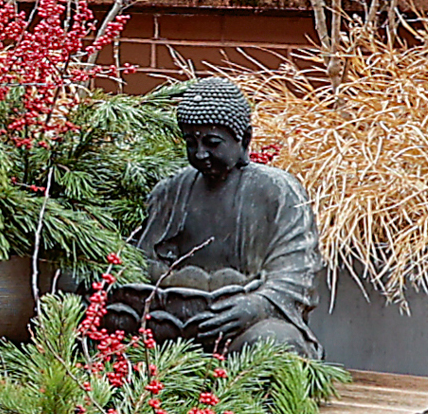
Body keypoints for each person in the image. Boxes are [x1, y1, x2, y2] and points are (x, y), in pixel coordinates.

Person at [129, 79, 320, 359]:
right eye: (191, 143)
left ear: (244, 139)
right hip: (174, 324)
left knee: (271, 344)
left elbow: (298, 271)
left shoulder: (277, 190)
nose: (200, 154)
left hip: (244, 327)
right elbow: (140, 261)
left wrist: (256, 306)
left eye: (212, 143)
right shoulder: (173, 190)